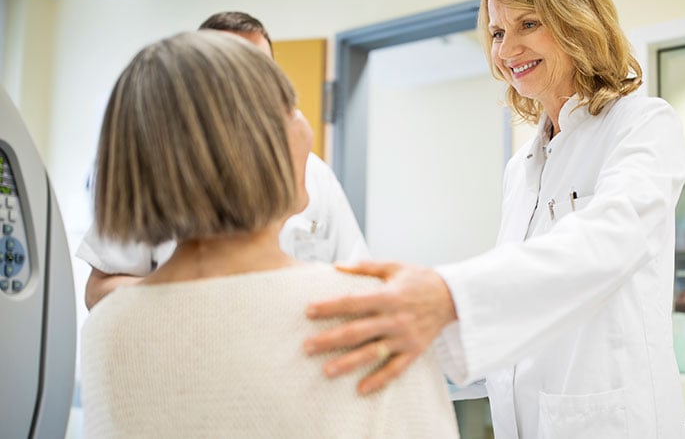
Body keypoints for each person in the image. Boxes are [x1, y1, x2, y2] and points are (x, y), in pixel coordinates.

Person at [303, 0, 685, 438]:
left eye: (529, 24)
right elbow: (526, 302)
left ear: (578, 19)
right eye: (497, 32)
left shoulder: (642, 124)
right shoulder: (522, 166)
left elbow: (609, 242)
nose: (507, 50)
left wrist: (448, 296)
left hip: (612, 421)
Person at [80, 31, 459, 438]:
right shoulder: (372, 320)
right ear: (257, 145)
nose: (306, 126)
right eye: (291, 108)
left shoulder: (106, 330)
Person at [78, 11, 369, 310]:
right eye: (231, 73)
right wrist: (195, 291)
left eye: (260, 73)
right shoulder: (157, 168)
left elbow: (359, 278)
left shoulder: (313, 173)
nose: (248, 92)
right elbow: (99, 292)